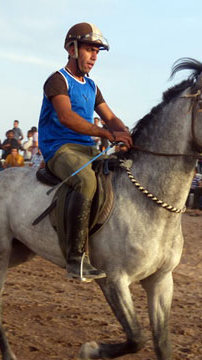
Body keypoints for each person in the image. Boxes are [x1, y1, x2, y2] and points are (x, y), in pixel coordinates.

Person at [38, 22, 132, 280]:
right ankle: (76, 258)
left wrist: (126, 134)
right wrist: (106, 133)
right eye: (90, 50)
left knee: (117, 175)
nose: (94, 57)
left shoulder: (91, 86)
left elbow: (110, 117)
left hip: (88, 148)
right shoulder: (57, 80)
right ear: (72, 48)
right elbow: (67, 117)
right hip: (60, 148)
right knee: (86, 181)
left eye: (97, 52)